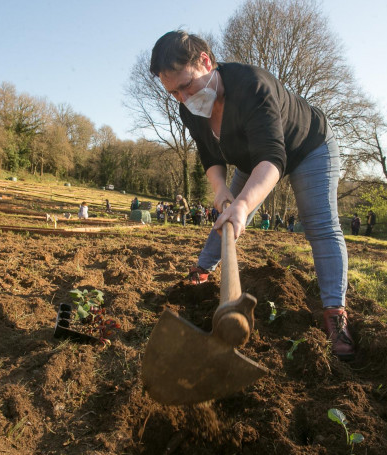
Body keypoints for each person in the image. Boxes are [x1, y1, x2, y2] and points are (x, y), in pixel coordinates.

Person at [150, 30, 353, 359]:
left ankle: (335, 313)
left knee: (319, 224)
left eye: (186, 86)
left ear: (206, 61)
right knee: (226, 215)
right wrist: (221, 191)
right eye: (173, 93)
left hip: (307, 146)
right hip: (250, 156)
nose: (183, 99)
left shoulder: (251, 86)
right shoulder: (190, 108)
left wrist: (245, 203)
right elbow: (210, 155)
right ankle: (202, 271)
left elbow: (273, 158)